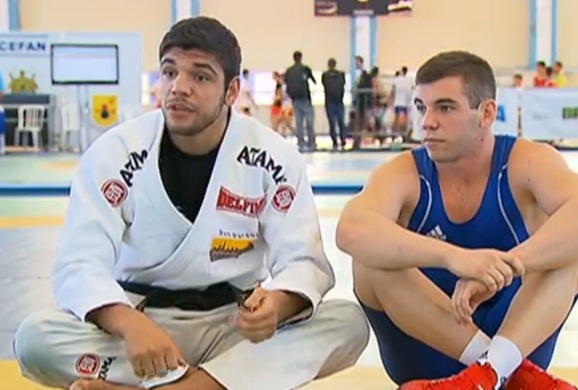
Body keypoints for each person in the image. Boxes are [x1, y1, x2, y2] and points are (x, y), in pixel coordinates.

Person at [12, 16, 369, 390]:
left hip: (234, 327)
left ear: (232, 91)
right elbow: (79, 264)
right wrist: (128, 323)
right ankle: (215, 383)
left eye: (200, 77)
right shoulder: (114, 153)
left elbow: (303, 262)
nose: (178, 88)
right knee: (35, 339)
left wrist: (276, 307)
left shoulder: (273, 157)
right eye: (169, 72)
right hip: (140, 328)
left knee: (347, 324)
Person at [336, 50, 578, 390]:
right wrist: (456, 258)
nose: (427, 122)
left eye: (445, 107)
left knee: (572, 247)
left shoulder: (525, 163)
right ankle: (505, 373)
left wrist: (503, 267)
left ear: (487, 113)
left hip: (512, 333)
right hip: (428, 354)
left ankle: (491, 372)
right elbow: (350, 229)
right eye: (422, 107)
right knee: (370, 258)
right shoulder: (406, 174)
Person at [284, 51, 317, 151]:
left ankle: (301, 143)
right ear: (301, 58)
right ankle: (311, 143)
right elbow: (314, 81)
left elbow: (286, 83)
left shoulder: (288, 71)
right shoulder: (305, 69)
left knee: (299, 123)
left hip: (295, 100)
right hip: (306, 99)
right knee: (309, 122)